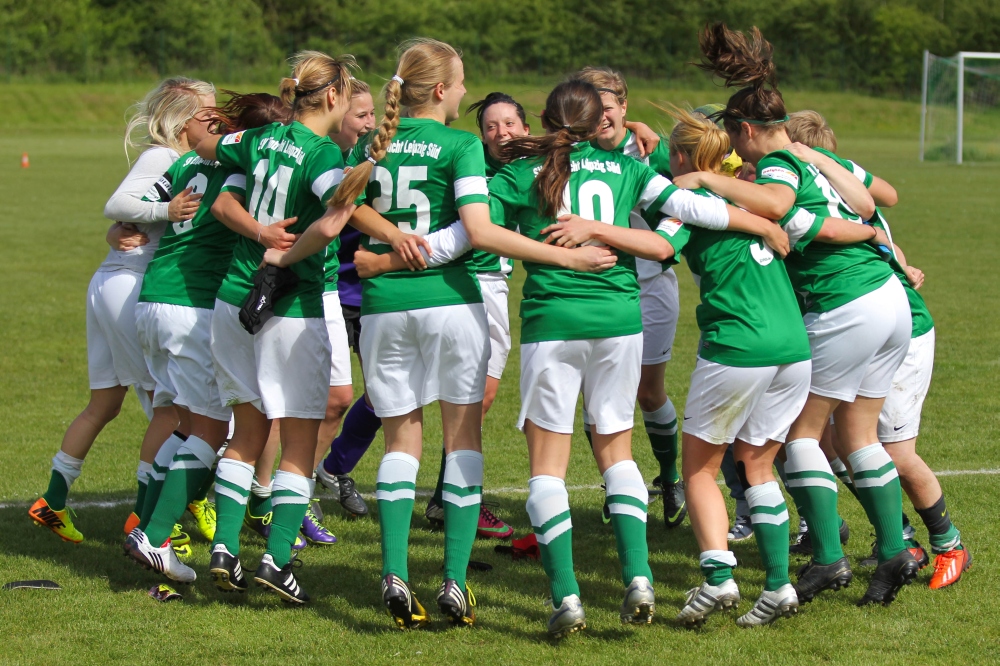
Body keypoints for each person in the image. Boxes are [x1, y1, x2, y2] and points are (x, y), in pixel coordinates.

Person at [265, 39, 619, 629]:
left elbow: (344, 209)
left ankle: (396, 571)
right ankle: (454, 581)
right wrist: (567, 259)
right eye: (459, 84)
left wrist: (386, 253)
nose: (462, 93)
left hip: (383, 309)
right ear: (439, 91)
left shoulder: (372, 147)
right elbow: (479, 231)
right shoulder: (460, 145)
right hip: (453, 304)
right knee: (463, 439)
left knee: (402, 442)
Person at [492, 79, 788, 638]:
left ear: (545, 119)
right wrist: (764, 223)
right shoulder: (627, 170)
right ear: (596, 120)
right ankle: (640, 578)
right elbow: (701, 209)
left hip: (553, 322)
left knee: (547, 467)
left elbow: (470, 229)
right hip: (621, 323)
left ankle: (567, 598)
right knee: (617, 453)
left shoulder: (519, 175)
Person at [681, 23, 917, 607]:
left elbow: (781, 205)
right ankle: (893, 552)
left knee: (798, 437)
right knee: (859, 435)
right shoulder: (814, 157)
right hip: (888, 301)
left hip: (844, 305)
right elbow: (868, 203)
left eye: (738, 142)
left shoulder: (780, 165)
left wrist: (710, 179)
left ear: (745, 131)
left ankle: (831, 560)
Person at [192, 51, 413, 603]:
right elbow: (336, 218)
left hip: (232, 303)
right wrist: (285, 258)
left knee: (245, 434)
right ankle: (276, 559)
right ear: (336, 97)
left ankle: (223, 548)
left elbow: (206, 147)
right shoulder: (319, 156)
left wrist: (258, 232)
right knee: (295, 441)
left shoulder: (260, 139)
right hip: (290, 309)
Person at [786, 110, 970, 590]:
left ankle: (949, 544)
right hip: (872, 318)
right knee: (838, 441)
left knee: (893, 450)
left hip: (901, 327)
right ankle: (896, 537)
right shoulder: (834, 184)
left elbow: (880, 209)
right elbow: (880, 204)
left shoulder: (817, 185)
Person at [29, 78, 213, 545]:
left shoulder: (185, 160)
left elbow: (127, 219)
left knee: (105, 403)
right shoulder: (164, 156)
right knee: (169, 410)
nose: (217, 120)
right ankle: (146, 521)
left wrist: (129, 228)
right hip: (131, 284)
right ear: (183, 117)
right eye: (208, 112)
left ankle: (51, 501)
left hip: (112, 282)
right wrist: (166, 211)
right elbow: (117, 205)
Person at [121, 92, 293, 583]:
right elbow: (225, 208)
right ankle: (153, 535)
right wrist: (263, 232)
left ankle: (147, 525)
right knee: (214, 429)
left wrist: (122, 230)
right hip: (190, 305)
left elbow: (134, 212)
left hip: (153, 300)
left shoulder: (190, 162)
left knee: (184, 423)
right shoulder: (243, 167)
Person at [654, 107, 807, 627]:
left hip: (738, 343)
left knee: (699, 466)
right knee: (757, 464)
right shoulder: (748, 189)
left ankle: (718, 579)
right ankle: (780, 584)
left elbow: (659, 249)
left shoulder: (686, 201)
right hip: (793, 346)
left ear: (679, 157)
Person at [574, 66, 685, 528]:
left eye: (609, 106)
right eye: (591, 108)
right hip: (595, 286)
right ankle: (615, 480)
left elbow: (690, 191)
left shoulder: (652, 156)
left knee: (648, 390)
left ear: (624, 106)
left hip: (651, 284)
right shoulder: (572, 155)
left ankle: (669, 477)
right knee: (595, 395)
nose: (602, 116)